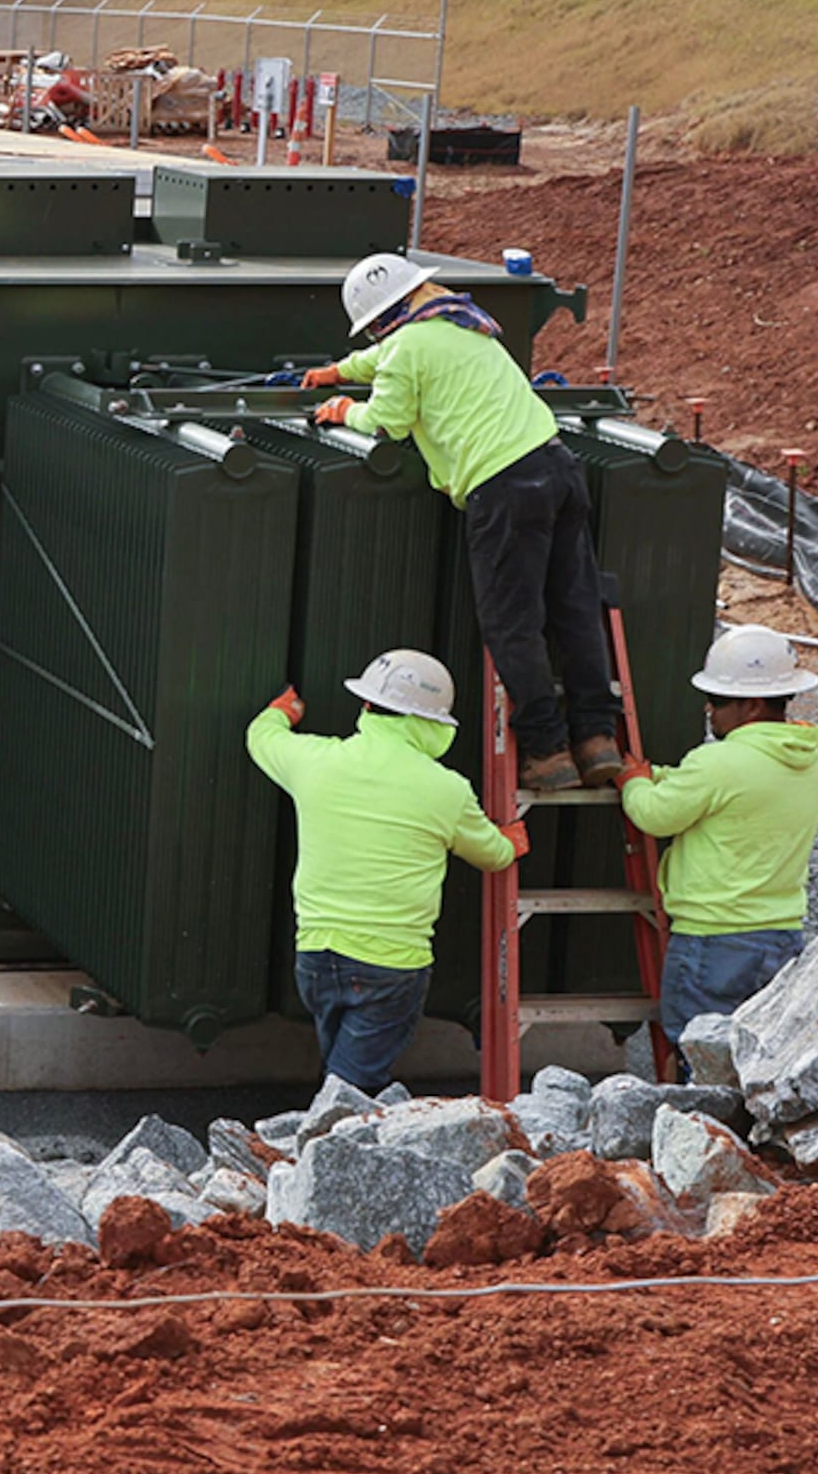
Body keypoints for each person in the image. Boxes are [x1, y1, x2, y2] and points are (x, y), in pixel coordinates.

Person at [304, 252, 627, 797]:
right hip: (558, 469)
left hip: (503, 490)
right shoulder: (463, 325)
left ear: (383, 319)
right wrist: (343, 370)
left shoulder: (407, 346)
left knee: (513, 624)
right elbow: (391, 356)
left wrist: (343, 409)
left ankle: (547, 752)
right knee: (574, 609)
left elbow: (387, 422)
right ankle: (597, 740)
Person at [247, 649, 527, 1092]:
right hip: (391, 967)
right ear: (432, 723)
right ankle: (331, 1132)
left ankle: (329, 1126)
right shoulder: (446, 790)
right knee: (350, 1089)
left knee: (343, 1078)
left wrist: (281, 711)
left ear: (367, 705)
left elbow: (261, 738)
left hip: (317, 957)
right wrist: (510, 840)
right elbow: (492, 855)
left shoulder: (316, 761)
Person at [616, 624, 818, 1038]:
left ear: (751, 706)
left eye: (717, 700)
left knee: (701, 1051)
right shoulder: (810, 763)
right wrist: (659, 776)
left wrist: (633, 783)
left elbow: (655, 815)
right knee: (761, 1052)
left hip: (714, 940)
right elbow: (722, 793)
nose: (709, 709)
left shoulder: (717, 762)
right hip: (781, 937)